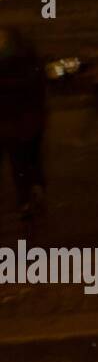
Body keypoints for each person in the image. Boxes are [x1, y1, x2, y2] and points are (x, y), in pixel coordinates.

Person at [0, 28, 47, 221]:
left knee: (19, 161)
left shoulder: (10, 64)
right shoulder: (31, 62)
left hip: (15, 121)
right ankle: (34, 190)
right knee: (29, 159)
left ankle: (26, 199)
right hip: (27, 120)